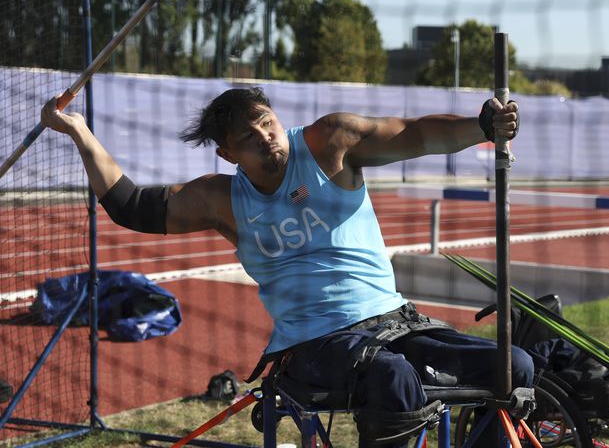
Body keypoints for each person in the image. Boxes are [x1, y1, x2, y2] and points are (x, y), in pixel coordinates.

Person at [41, 86, 533, 447]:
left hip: (394, 320)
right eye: (248, 137)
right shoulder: (222, 198)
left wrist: (481, 128)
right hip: (315, 344)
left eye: (267, 122)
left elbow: (416, 134)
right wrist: (80, 130)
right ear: (228, 153)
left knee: (515, 366)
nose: (265, 137)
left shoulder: (330, 144)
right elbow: (131, 205)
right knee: (394, 379)